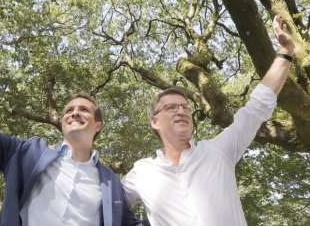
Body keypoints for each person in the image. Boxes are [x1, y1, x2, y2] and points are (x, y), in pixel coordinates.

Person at [0, 19, 142, 226]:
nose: (74, 113)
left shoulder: (111, 182)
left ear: (97, 125)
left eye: (84, 110)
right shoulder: (25, 153)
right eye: (69, 110)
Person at [122, 15, 294, 226]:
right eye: (170, 107)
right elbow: (101, 208)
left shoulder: (219, 150)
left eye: (185, 107)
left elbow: (257, 107)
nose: (181, 111)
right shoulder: (142, 172)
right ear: (154, 122)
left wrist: (286, 50)